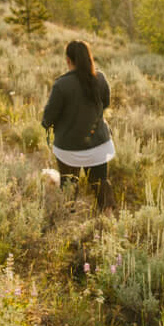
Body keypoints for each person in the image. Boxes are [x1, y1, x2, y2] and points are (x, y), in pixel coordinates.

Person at [41, 40, 114, 207]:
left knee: (68, 186)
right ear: (89, 58)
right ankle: (107, 217)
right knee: (100, 183)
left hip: (69, 149)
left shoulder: (61, 85)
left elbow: (48, 119)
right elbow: (106, 103)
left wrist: (49, 123)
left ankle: (68, 214)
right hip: (99, 146)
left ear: (68, 60)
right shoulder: (100, 78)